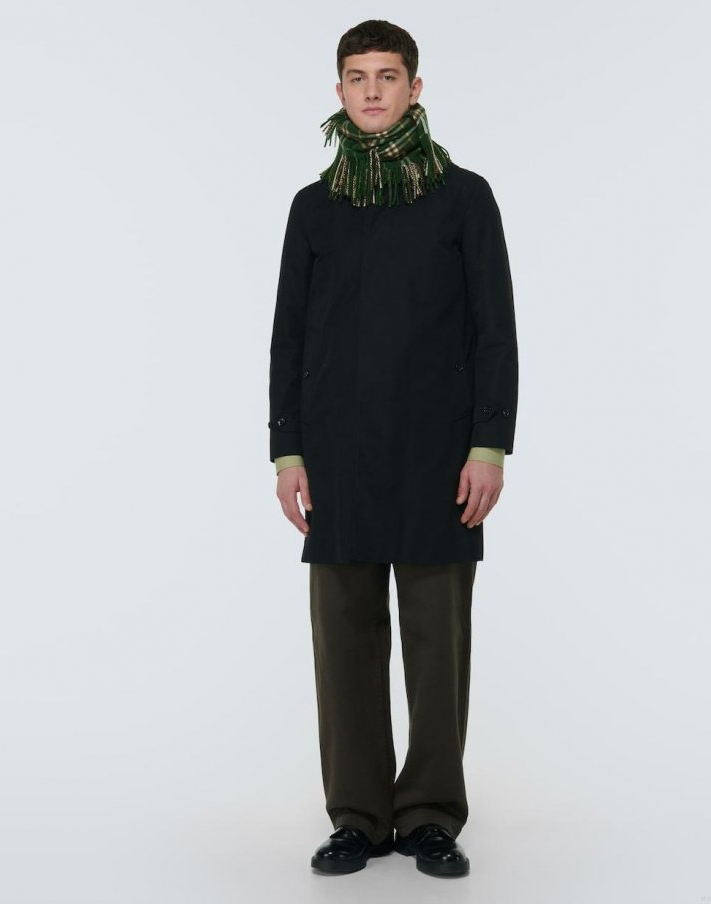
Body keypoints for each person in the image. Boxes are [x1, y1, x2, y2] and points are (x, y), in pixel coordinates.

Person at [268, 19, 518, 878]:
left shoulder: (463, 198)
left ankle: (431, 815)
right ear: (338, 91)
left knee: (437, 645)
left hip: (440, 454)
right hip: (336, 454)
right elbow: (288, 338)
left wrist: (489, 446)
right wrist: (288, 452)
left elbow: (495, 331)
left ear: (415, 89)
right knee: (343, 642)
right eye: (356, 76)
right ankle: (358, 816)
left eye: (387, 75)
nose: (372, 90)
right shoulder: (314, 208)